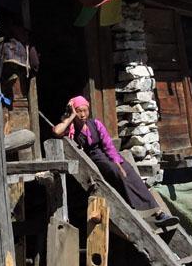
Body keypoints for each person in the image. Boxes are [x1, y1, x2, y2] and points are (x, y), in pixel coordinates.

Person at [53, 96, 177, 226]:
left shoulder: (95, 124)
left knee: (130, 173)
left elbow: (108, 146)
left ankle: (158, 212)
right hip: (94, 160)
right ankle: (139, 210)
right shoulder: (71, 128)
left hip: (107, 156)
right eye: (79, 111)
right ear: (73, 111)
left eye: (85, 110)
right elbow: (57, 131)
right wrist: (71, 116)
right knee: (115, 172)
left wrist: (118, 163)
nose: (83, 114)